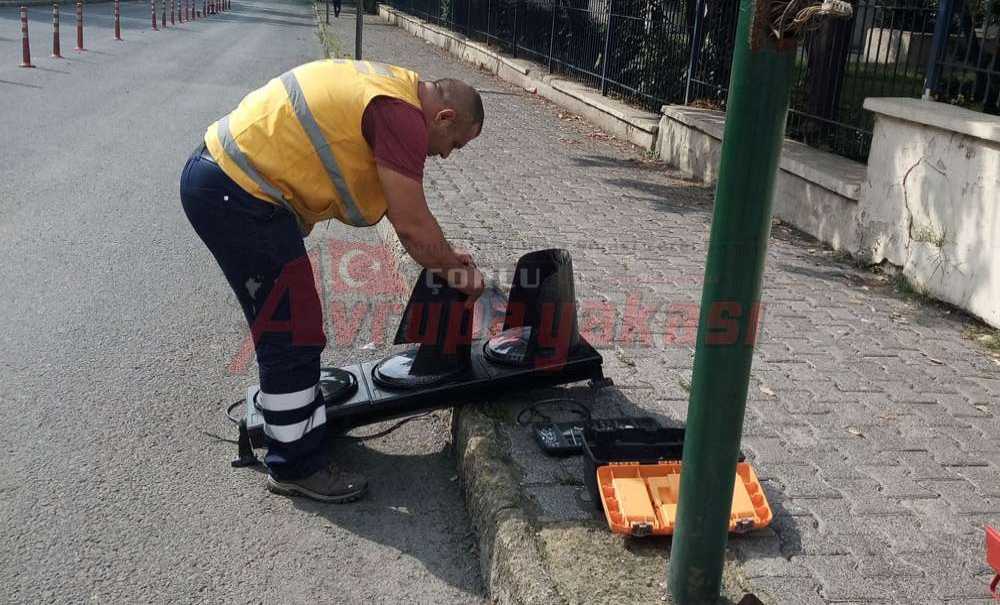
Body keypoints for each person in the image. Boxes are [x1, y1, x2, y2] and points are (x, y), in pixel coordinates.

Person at [179, 59, 485, 503]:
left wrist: (445, 258)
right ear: (444, 116)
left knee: (293, 324)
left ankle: (295, 421)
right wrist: (460, 275)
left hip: (230, 185)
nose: (444, 155)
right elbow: (413, 227)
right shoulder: (401, 116)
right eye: (452, 143)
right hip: (237, 195)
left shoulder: (393, 86)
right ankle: (296, 466)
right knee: (292, 331)